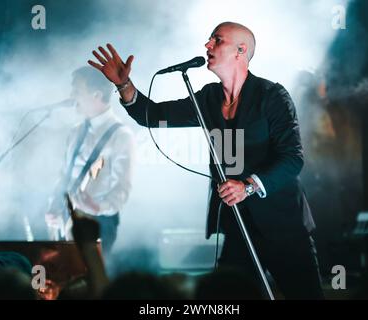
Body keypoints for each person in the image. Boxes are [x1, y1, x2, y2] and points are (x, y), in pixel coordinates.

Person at [88, 22, 323, 299]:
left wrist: (248, 186)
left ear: (240, 50)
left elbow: (293, 158)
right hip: (237, 225)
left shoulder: (271, 96)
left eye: (217, 40)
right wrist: (124, 85)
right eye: (210, 39)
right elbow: (152, 115)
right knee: (225, 300)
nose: (207, 45)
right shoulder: (209, 98)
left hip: (283, 226)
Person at [45, 66, 135, 257]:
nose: (71, 96)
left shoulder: (121, 135)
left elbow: (122, 189)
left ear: (96, 94)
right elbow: (64, 174)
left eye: (77, 91)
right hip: (68, 219)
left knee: (91, 283)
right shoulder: (76, 131)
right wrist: (54, 205)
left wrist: (98, 207)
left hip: (98, 222)